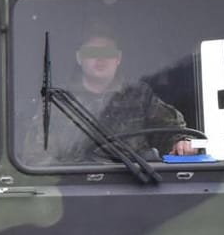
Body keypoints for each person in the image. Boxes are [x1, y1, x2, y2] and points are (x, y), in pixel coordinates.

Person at [39, 31, 195, 162]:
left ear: (118, 58)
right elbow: (37, 156)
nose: (101, 59)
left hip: (134, 183)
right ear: (79, 58)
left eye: (107, 53)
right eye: (92, 53)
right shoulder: (59, 100)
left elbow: (169, 130)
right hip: (76, 187)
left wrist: (180, 143)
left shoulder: (139, 96)